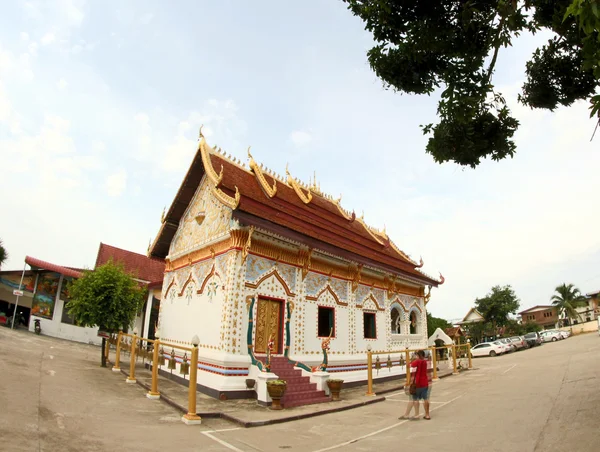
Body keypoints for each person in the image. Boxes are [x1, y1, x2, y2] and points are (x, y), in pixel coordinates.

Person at [399, 349, 431, 420]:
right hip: (425, 382)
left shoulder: (417, 361)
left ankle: (416, 415)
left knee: (415, 399)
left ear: (418, 355)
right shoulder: (425, 362)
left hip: (417, 383)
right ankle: (427, 415)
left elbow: (408, 366)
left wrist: (412, 359)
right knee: (425, 399)